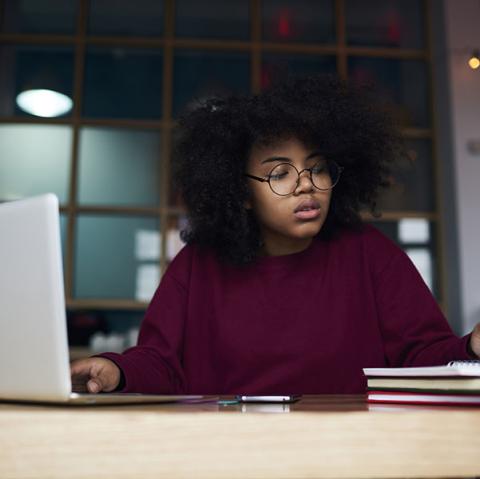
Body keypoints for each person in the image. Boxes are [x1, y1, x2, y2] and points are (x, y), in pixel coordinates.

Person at [70, 75, 480, 395]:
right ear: (242, 193)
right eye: (279, 173)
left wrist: (472, 349)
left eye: (317, 168)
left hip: (350, 453)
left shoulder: (371, 254)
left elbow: (423, 357)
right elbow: (161, 362)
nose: (307, 185)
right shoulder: (198, 265)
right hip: (225, 456)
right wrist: (118, 371)